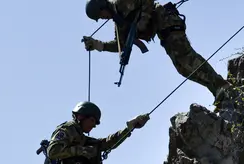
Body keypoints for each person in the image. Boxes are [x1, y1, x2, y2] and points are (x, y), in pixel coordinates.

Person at [82, 0, 232, 103]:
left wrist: (142, 21)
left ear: (103, 6)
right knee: (183, 69)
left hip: (166, 19)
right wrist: (98, 45)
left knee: (186, 57)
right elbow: (119, 45)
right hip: (162, 31)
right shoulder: (118, 23)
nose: (103, 18)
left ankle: (221, 85)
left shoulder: (122, 2)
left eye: (101, 15)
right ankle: (217, 91)